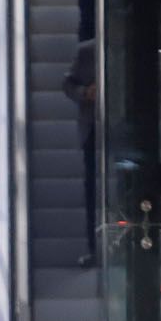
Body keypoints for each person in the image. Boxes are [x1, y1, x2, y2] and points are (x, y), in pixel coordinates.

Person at [63, 38, 98, 249]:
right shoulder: (86, 51)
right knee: (91, 187)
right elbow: (67, 84)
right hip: (92, 128)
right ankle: (93, 246)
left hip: (124, 126)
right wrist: (84, 93)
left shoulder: (133, 46)